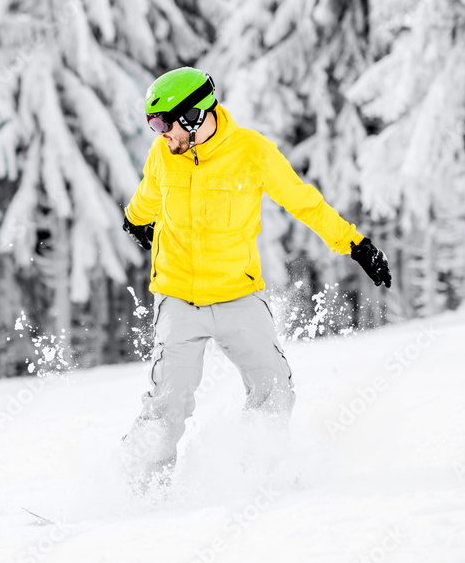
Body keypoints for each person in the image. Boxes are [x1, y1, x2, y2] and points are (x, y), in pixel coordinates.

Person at [120, 67, 391, 490]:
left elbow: (305, 203)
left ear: (192, 116)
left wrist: (355, 244)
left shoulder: (253, 152)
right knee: (167, 405)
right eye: (152, 124)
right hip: (177, 298)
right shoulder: (163, 153)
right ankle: (139, 493)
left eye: (162, 123)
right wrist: (135, 221)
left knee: (274, 388)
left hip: (238, 297)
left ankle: (251, 478)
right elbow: (147, 197)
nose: (158, 133)